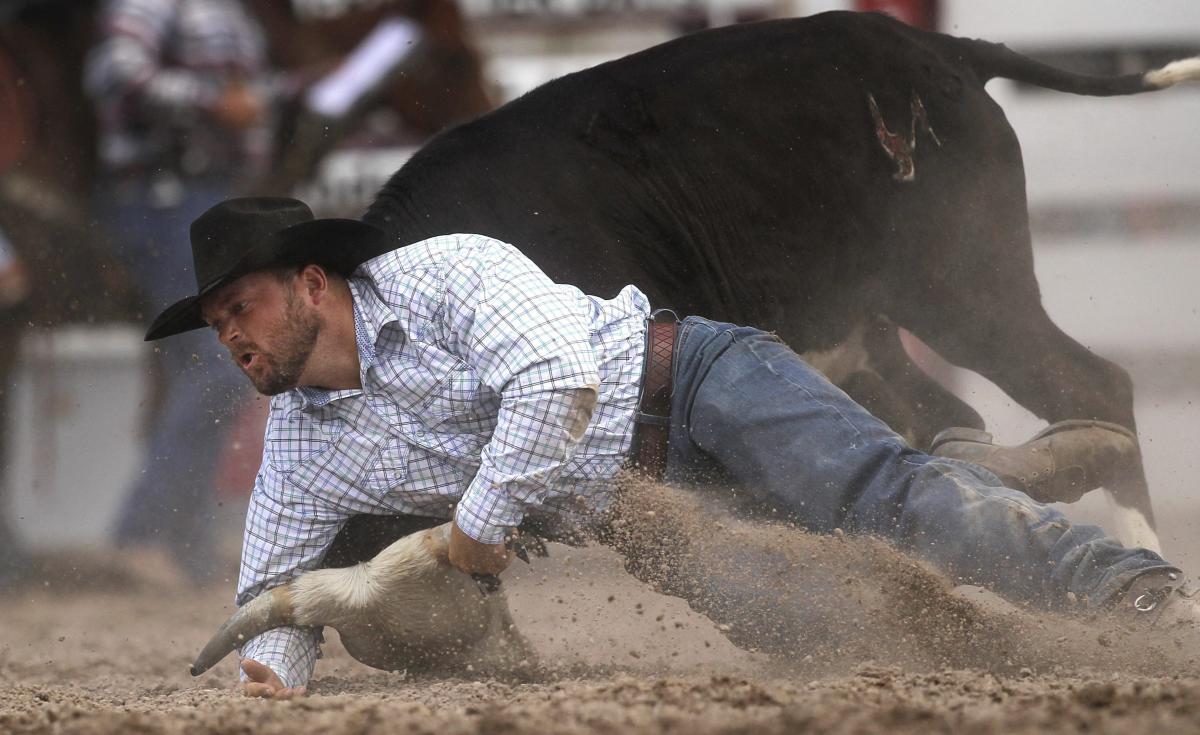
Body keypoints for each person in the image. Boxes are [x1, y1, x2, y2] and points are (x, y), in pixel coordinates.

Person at [147, 197, 1197, 698]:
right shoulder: (298, 451)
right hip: (640, 507)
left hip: (695, 381)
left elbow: (562, 380)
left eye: (242, 307)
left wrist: (472, 539)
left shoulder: (442, 272)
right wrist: (270, 677)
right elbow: (273, 593)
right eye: (217, 324)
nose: (232, 338)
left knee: (889, 501)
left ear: (312, 284)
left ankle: (1131, 592)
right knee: (824, 629)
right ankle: (1038, 654)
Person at [83, 0, 281, 580]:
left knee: (214, 370)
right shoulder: (152, 6)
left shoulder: (230, 15)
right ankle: (141, 534)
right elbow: (115, 71)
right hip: (162, 197)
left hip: (205, 197)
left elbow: (256, 93)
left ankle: (182, 539)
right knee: (214, 368)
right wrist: (214, 101)